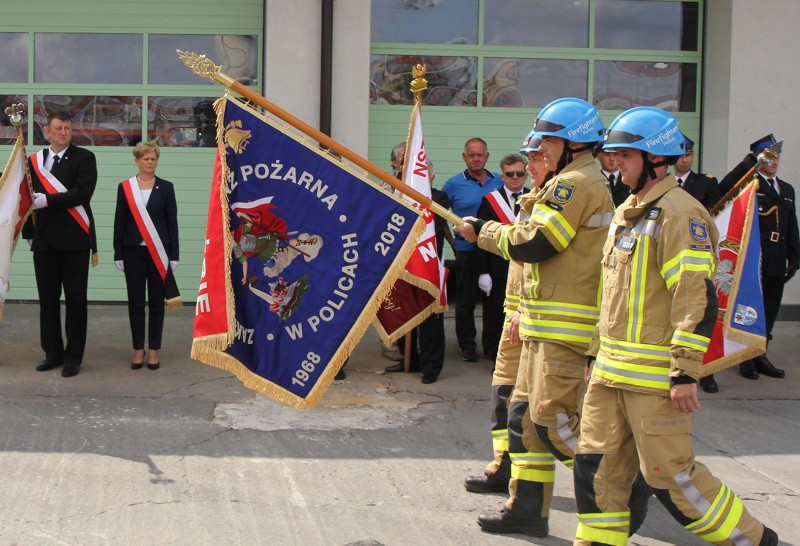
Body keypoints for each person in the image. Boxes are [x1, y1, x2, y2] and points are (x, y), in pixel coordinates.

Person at [573, 106, 778, 546]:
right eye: (615, 154)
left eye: (625, 155)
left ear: (654, 158)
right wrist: (594, 352)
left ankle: (755, 541)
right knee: (598, 471)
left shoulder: (681, 214)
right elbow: (610, 293)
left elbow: (694, 297)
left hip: (654, 380)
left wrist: (685, 371)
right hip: (610, 372)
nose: (615, 162)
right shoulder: (628, 208)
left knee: (671, 478)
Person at [455, 98, 650, 538]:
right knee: (524, 420)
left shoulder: (577, 183)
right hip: (542, 325)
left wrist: (481, 232)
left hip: (565, 329)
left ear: (571, 141)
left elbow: (536, 243)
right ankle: (526, 508)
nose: (539, 149)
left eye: (547, 140)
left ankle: (624, 482)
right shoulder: (567, 180)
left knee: (553, 424)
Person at [464, 139, 551, 497]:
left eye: (534, 160)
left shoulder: (556, 200)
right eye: (521, 166)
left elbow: (530, 246)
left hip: (541, 320)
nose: (526, 171)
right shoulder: (533, 201)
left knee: (544, 419)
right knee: (503, 395)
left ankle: (616, 476)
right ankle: (503, 465)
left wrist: (482, 231)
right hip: (515, 308)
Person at [22, 111, 97, 378]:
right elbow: (26, 196)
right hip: (44, 242)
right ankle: (52, 353)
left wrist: (48, 202)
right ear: (48, 131)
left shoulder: (85, 158)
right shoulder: (34, 161)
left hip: (75, 240)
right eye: (58, 128)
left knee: (76, 301)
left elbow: (82, 193)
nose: (63, 132)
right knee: (48, 302)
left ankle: (73, 358)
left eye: (67, 128)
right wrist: (28, 233)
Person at [719, 134, 798, 381]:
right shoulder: (749, 184)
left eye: (777, 157)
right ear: (759, 158)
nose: (774, 162)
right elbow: (723, 190)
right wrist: (747, 164)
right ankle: (744, 358)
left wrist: (795, 257)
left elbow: (791, 225)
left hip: (777, 255)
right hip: (754, 256)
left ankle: (760, 355)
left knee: (770, 308)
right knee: (749, 307)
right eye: (769, 157)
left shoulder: (785, 189)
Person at [113, 141, 179, 370]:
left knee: (156, 304)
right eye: (146, 158)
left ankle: (154, 350)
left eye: (154, 159)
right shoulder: (125, 187)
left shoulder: (166, 187)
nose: (150, 162)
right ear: (137, 161)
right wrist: (118, 253)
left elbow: (173, 223)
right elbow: (119, 222)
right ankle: (138, 349)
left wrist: (174, 255)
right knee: (136, 302)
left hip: (159, 253)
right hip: (133, 252)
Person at [385, 160, 450, 383]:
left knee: (431, 321)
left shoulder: (439, 198)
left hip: (428, 264)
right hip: (403, 266)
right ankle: (409, 360)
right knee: (404, 314)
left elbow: (433, 222)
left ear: (430, 177)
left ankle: (431, 368)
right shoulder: (397, 195)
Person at [442, 138, 503, 362]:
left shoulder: (500, 181)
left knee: (493, 300)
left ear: (487, 156)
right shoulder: (453, 184)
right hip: (466, 250)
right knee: (466, 301)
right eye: (471, 155)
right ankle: (467, 345)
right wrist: (452, 242)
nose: (476, 158)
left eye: (480, 155)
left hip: (494, 250)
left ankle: (491, 345)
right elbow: (440, 214)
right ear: (464, 157)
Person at [673, 135, 722, 393]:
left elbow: (723, 202)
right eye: (680, 154)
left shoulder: (706, 183)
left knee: (702, 311)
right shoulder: (665, 184)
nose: (684, 159)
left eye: (688, 154)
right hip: (673, 255)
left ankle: (706, 370)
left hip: (698, 253)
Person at [475, 153, 530, 361]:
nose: (515, 177)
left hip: (524, 268)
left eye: (519, 173)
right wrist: (483, 272)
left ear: (525, 175)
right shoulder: (490, 201)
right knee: (495, 313)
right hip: (497, 268)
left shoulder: (533, 199)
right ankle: (493, 350)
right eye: (510, 174)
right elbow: (481, 238)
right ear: (503, 176)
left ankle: (519, 353)